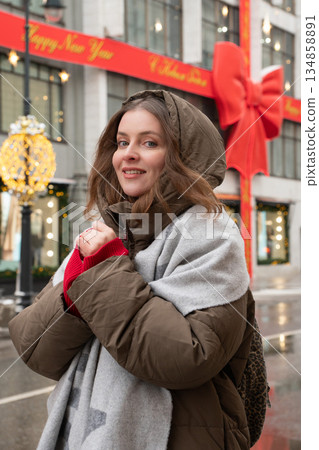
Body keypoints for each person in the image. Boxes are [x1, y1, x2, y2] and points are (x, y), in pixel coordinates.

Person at [9, 90, 255, 449]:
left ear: (183, 157)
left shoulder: (214, 235)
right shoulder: (104, 231)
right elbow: (36, 348)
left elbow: (188, 356)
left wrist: (104, 270)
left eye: (150, 142)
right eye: (122, 142)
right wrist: (86, 270)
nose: (128, 154)